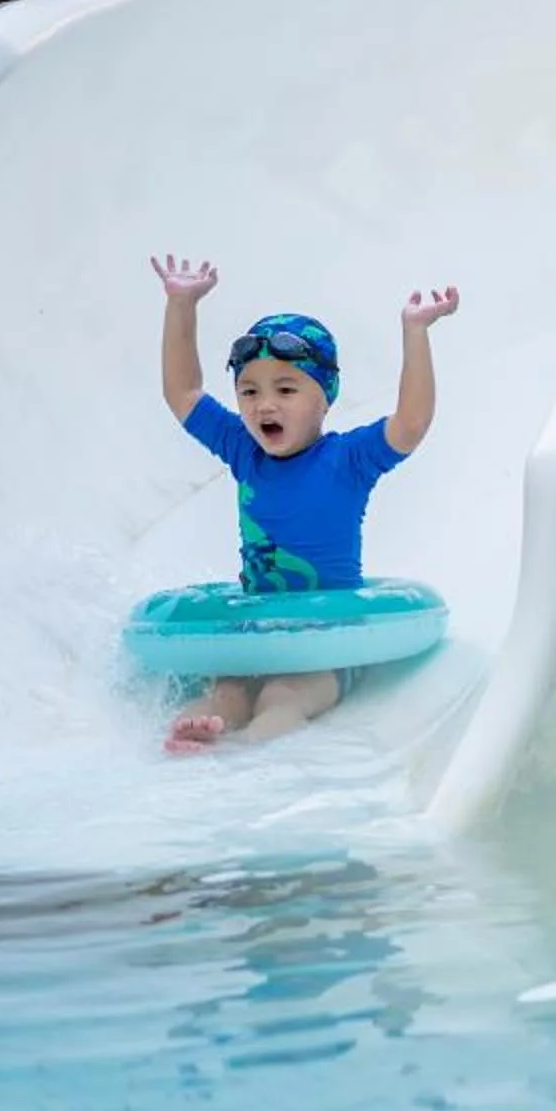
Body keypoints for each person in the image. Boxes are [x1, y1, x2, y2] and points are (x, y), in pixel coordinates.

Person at [150, 254, 460, 753]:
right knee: (226, 692)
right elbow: (182, 392)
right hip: (259, 632)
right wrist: (181, 305)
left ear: (325, 397)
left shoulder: (347, 460)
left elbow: (411, 423)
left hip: (327, 645)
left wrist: (415, 332)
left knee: (283, 695)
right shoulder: (244, 451)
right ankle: (194, 736)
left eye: (286, 389)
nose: (264, 404)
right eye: (248, 391)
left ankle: (246, 753)